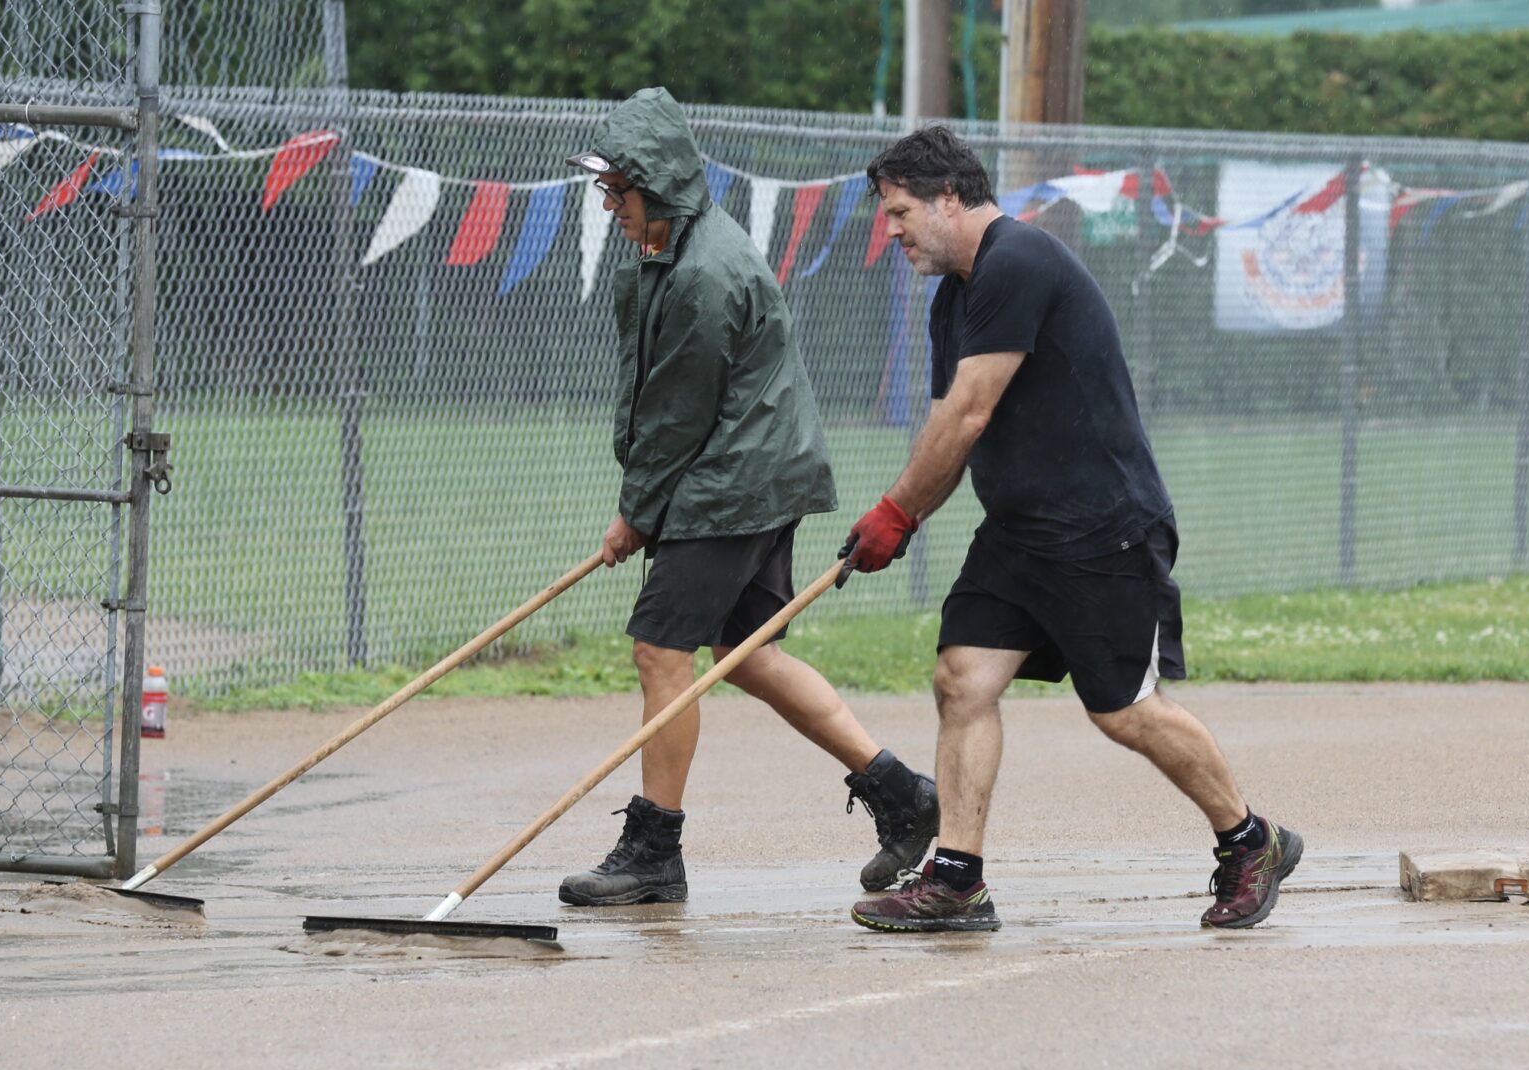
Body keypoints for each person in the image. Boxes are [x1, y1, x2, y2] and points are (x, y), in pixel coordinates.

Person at [841, 126, 1302, 933]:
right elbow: (960, 427)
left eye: (901, 210)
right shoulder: (955, 295)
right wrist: (901, 519)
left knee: (1123, 711)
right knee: (963, 680)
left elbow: (970, 408)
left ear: (950, 198)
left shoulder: (1018, 262)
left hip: (1103, 529)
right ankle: (956, 881)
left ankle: (1251, 840)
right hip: (1020, 531)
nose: (892, 230)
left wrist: (898, 510)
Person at [557, 88, 939, 906]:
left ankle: (654, 850)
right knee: (748, 654)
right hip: (750, 471)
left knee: (662, 653)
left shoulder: (704, 272)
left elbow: (676, 417)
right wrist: (645, 508)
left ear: (654, 186)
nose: (609, 207)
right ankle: (902, 793)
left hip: (732, 480)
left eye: (616, 192)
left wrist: (637, 514)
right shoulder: (676, 249)